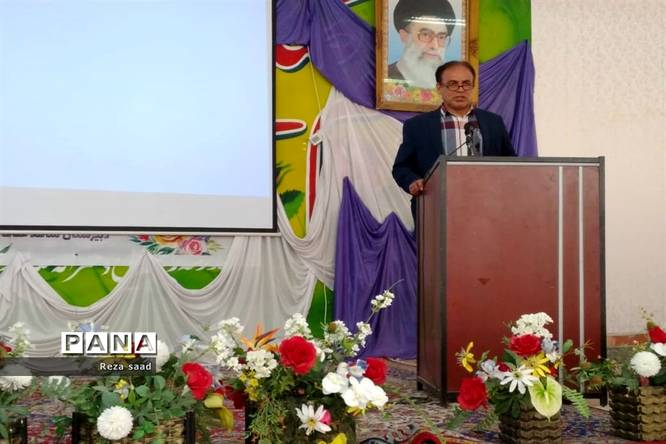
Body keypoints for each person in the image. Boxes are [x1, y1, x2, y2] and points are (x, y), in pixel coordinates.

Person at [392, 60, 516, 219]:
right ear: (439, 88)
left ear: (473, 86)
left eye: (466, 84)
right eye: (452, 84)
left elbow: (510, 163)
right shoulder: (417, 126)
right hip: (436, 209)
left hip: (487, 207)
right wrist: (413, 181)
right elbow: (402, 167)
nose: (460, 89)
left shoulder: (493, 122)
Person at [388, 0, 457, 89]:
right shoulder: (383, 77)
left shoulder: (450, 85)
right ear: (404, 36)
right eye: (425, 34)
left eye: (441, 37)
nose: (434, 46)